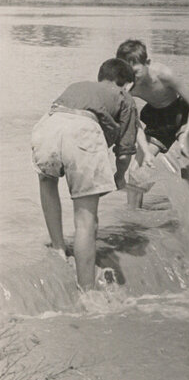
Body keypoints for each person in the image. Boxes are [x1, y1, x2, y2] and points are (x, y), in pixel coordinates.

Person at [31, 58, 138, 290]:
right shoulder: (126, 98)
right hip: (81, 129)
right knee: (85, 220)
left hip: (47, 126)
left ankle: (58, 247)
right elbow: (124, 153)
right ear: (127, 85)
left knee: (47, 181)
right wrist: (120, 177)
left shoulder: (79, 86)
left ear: (101, 77)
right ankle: (87, 292)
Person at [115, 39, 189, 209]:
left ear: (147, 63)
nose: (132, 78)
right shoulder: (126, 86)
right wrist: (145, 151)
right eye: (127, 73)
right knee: (136, 172)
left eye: (136, 72)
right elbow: (132, 120)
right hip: (157, 119)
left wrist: (185, 134)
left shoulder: (164, 74)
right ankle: (133, 219)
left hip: (182, 116)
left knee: (188, 172)